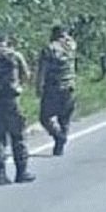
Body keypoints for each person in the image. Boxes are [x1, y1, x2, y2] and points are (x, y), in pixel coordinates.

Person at [0, 30, 35, 185]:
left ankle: (0, 173)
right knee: (18, 136)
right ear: (7, 40)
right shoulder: (14, 55)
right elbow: (27, 75)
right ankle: (21, 172)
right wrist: (19, 86)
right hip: (11, 100)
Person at [36, 25, 77, 156]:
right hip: (69, 87)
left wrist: (38, 86)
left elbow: (42, 70)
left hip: (53, 87)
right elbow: (69, 39)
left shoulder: (49, 49)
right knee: (64, 118)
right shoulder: (71, 46)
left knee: (44, 118)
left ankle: (59, 137)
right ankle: (60, 144)